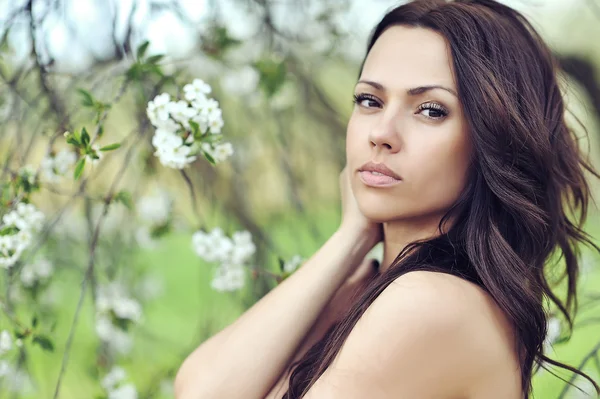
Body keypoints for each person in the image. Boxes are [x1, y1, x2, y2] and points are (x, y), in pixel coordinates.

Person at [174, 0, 600, 398]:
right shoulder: (377, 287)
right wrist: (350, 238)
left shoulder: (429, 303)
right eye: (369, 100)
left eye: (431, 110)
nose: (381, 133)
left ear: (495, 138)